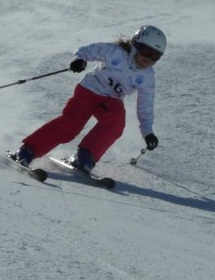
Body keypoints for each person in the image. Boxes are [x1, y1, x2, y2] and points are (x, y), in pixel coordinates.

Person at [11, 25, 165, 173]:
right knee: (71, 125)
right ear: (135, 45)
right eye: (146, 51)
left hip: (111, 100)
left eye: (155, 56)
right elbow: (87, 50)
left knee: (117, 120)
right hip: (89, 91)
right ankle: (28, 150)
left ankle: (85, 156)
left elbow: (145, 106)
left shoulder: (147, 77)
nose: (149, 58)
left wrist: (148, 133)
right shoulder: (115, 52)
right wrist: (79, 59)